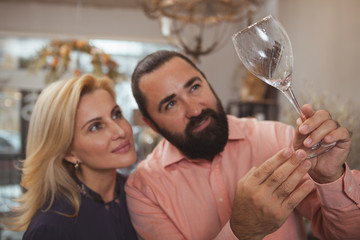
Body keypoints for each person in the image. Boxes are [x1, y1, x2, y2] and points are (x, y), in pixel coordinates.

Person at [125, 50, 360, 240]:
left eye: (195, 87)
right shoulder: (144, 188)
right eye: (170, 104)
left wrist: (330, 178)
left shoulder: (279, 139)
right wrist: (242, 232)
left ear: (207, 82)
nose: (195, 110)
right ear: (152, 125)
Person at [3, 74, 138, 239]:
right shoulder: (52, 227)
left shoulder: (141, 191)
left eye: (116, 114)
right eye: (96, 127)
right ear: (69, 153)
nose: (120, 131)